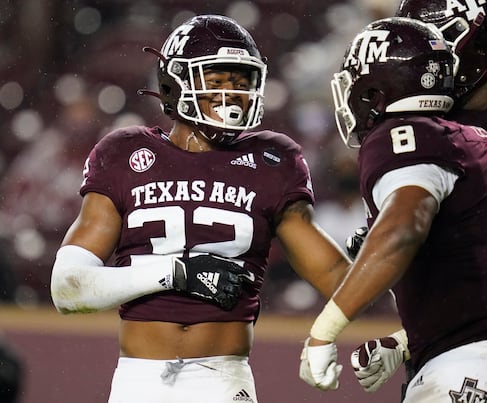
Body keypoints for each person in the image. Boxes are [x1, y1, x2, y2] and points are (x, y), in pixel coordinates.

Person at [50, 15, 351, 403]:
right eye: (218, 81)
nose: (233, 95)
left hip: (222, 378)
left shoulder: (272, 158)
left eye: (241, 83)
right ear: (177, 83)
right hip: (138, 379)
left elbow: (333, 274)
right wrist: (176, 274)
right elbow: (67, 290)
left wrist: (391, 318)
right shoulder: (125, 152)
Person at [298, 17, 487, 402]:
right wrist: (406, 342)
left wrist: (325, 330)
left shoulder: (403, 136)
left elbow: (402, 229)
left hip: (472, 371)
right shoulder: (473, 140)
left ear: (375, 90)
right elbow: (486, 282)